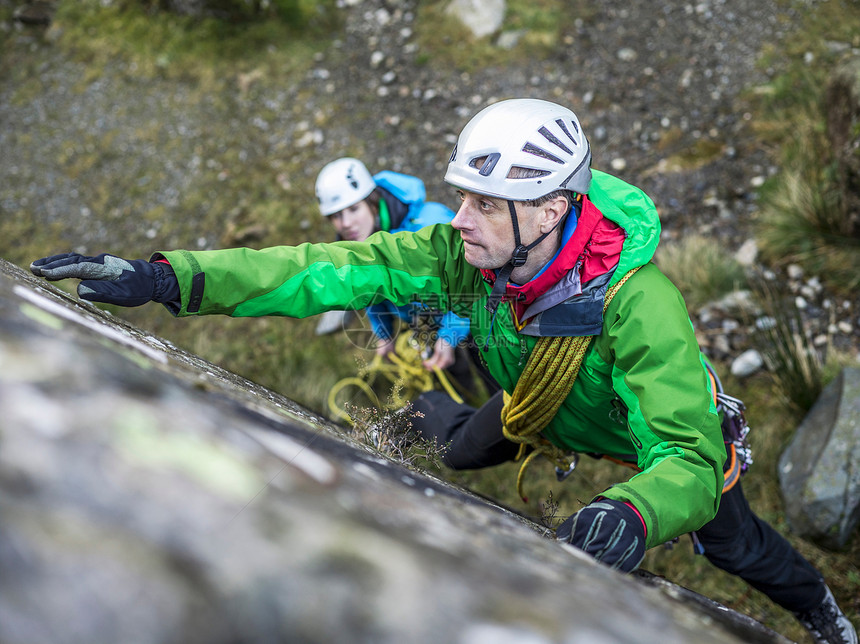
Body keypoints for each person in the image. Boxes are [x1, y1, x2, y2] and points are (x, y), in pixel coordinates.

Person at [30, 98, 856, 644]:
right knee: (461, 449)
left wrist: (635, 515)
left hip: (651, 438)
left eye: (485, 204)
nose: (458, 219)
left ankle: (819, 609)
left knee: (736, 545)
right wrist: (169, 277)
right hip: (540, 404)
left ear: (553, 211)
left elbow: (686, 455)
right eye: (463, 196)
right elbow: (327, 268)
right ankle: (421, 420)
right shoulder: (465, 258)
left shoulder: (640, 305)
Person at [313, 156, 469, 373]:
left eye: (354, 209)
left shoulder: (429, 226)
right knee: (452, 377)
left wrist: (451, 333)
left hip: (471, 316)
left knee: (495, 382)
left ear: (372, 202)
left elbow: (473, 280)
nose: (346, 223)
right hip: (425, 323)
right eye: (336, 216)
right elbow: (372, 294)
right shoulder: (357, 249)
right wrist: (384, 334)